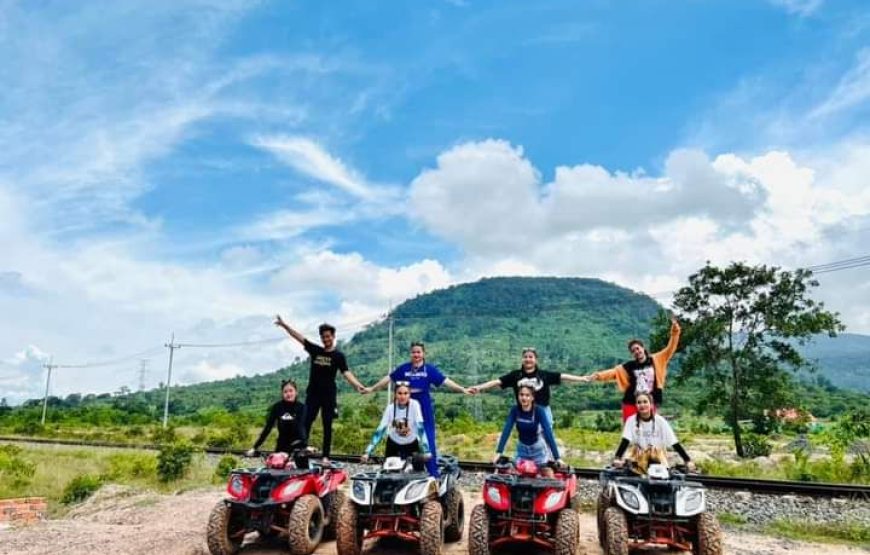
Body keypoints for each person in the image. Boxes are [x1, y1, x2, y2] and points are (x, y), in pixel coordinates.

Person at [363, 341, 471, 476]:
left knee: (427, 437)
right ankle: (401, 472)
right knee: (402, 436)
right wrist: (372, 389)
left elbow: (445, 381)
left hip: (423, 403)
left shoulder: (429, 370)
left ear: (424, 354)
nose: (416, 355)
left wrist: (462, 389)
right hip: (405, 404)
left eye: (419, 352)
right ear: (410, 354)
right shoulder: (404, 369)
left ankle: (433, 474)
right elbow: (388, 379)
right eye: (413, 352)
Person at [274, 314, 366, 461]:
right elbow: (299, 337)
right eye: (323, 336)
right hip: (313, 394)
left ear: (333, 336)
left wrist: (358, 386)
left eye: (328, 336)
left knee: (327, 425)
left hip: (328, 395)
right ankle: (302, 450)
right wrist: (285, 326)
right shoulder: (316, 350)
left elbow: (346, 372)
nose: (326, 339)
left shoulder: (338, 356)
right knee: (305, 422)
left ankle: (325, 456)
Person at [585, 316, 681, 421]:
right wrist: (597, 375)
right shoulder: (629, 366)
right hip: (631, 402)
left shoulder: (657, 359)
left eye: (637, 348)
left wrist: (675, 329)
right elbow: (613, 372)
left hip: (649, 401)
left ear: (643, 348)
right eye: (633, 351)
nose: (636, 351)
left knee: (648, 429)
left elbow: (671, 347)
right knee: (631, 431)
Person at [470, 347, 592, 429]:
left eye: (531, 357)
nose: (528, 359)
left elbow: (562, 376)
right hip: (524, 412)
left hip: (543, 410)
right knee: (527, 437)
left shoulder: (543, 375)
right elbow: (497, 382)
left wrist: (581, 378)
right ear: (522, 359)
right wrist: (479, 388)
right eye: (525, 357)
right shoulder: (516, 375)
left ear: (535, 359)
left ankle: (547, 464)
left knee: (546, 437)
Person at [611, 392, 695, 473]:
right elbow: (625, 441)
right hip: (638, 457)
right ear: (636, 405)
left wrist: (687, 460)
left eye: (645, 402)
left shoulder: (661, 421)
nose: (642, 405)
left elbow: (674, 442)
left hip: (657, 458)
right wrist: (617, 458)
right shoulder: (631, 421)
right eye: (639, 402)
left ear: (651, 404)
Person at [493, 384, 564, 477]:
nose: (524, 398)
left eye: (527, 395)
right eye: (521, 395)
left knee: (546, 474)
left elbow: (548, 433)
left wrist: (557, 457)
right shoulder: (515, 410)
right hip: (522, 450)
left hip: (538, 450)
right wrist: (499, 452)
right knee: (515, 476)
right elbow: (507, 430)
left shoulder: (539, 411)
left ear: (532, 397)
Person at [361, 381, 431, 466]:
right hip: (393, 444)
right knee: (390, 474)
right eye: (400, 393)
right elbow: (380, 430)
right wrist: (368, 452)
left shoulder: (414, 405)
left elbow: (420, 428)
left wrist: (427, 450)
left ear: (410, 394)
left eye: (406, 393)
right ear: (395, 394)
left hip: (411, 444)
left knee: (415, 473)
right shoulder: (390, 408)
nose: (403, 396)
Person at [246, 379, 307, 456]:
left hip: (297, 447)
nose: (288, 394)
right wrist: (255, 447)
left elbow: (301, 428)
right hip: (281, 447)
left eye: (291, 391)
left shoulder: (302, 407)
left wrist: (305, 445)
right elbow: (268, 428)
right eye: (285, 392)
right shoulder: (277, 407)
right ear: (282, 394)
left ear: (296, 392)